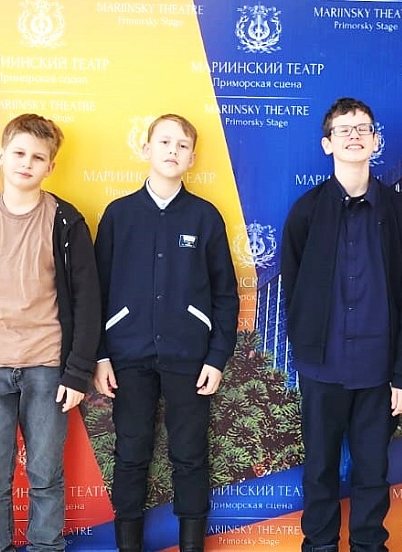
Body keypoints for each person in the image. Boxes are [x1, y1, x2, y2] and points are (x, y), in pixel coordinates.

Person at [0, 114, 101, 552]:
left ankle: (47, 547)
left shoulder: (66, 221)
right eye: (19, 153)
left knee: (46, 475)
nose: (26, 163)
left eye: (38, 157)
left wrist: (76, 372)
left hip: (47, 368)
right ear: (1, 155)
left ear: (51, 166)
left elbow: (87, 301)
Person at [281, 97, 402, 552]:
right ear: (328, 144)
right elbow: (293, 289)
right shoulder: (306, 212)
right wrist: (306, 351)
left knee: (372, 473)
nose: (354, 136)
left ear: (376, 141)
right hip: (322, 368)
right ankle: (319, 546)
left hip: (379, 372)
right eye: (343, 130)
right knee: (319, 469)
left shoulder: (399, 212)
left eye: (363, 128)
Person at [93, 114, 239, 552]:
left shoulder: (204, 216)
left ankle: (192, 545)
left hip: (189, 358)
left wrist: (216, 357)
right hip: (128, 357)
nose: (173, 150)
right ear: (146, 149)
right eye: (164, 142)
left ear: (192, 158)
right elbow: (96, 291)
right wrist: (101, 355)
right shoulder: (119, 215)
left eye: (182, 145)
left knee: (190, 455)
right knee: (130, 453)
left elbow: (225, 294)